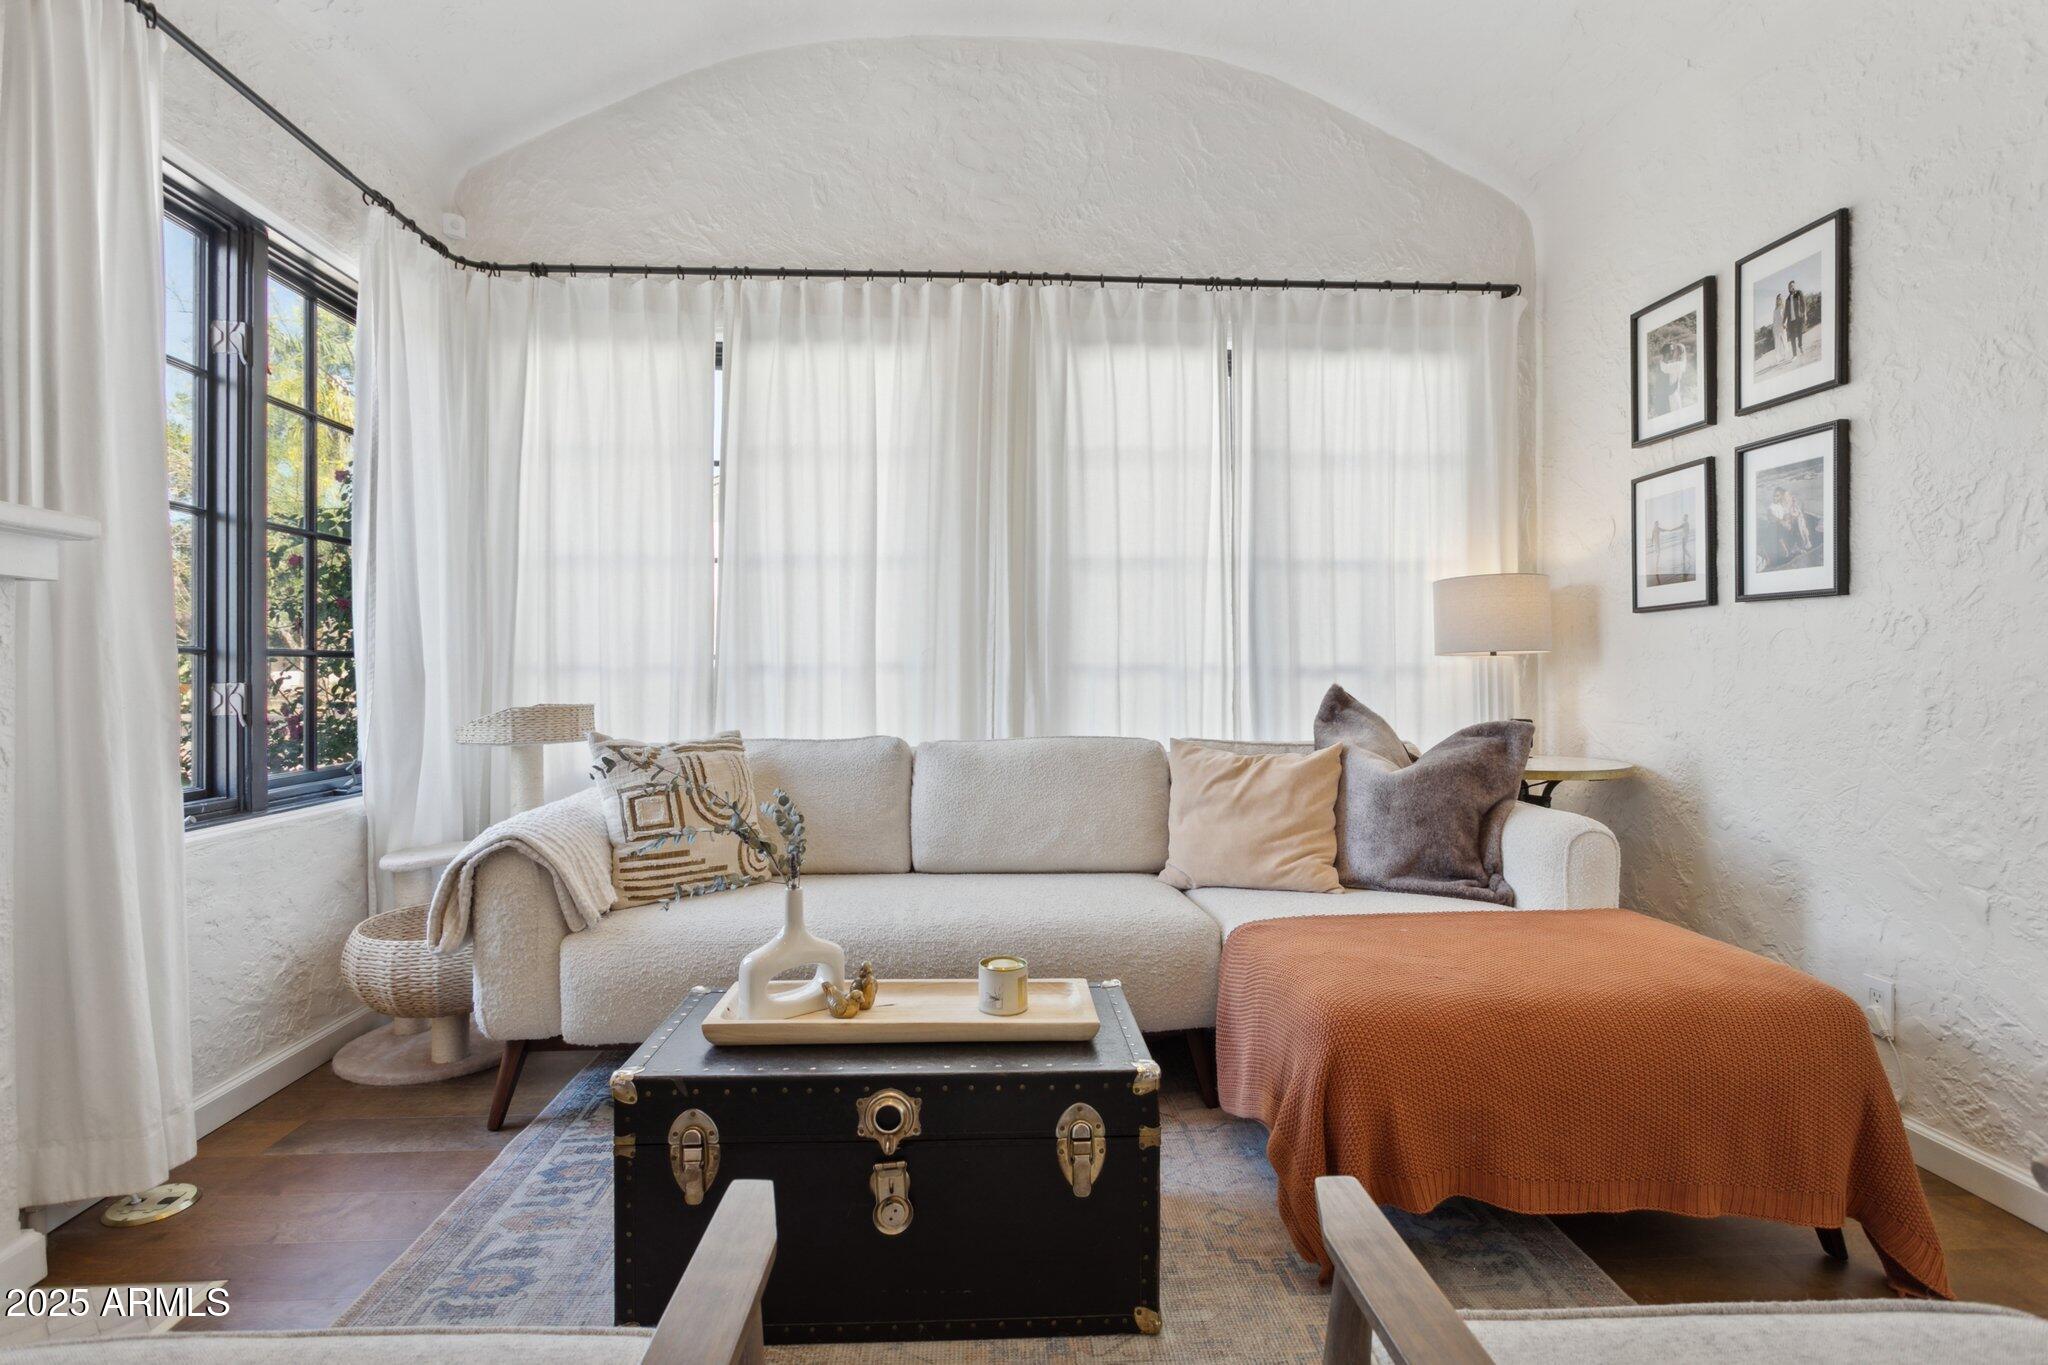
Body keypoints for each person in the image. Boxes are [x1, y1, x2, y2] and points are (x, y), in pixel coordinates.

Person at [1785, 279, 1807, 357]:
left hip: (1799, 318)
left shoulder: (1799, 293)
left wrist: (1805, 314)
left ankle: (1800, 345)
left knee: (1799, 333)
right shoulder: (1787, 299)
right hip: (1791, 321)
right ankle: (1794, 355)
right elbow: (1786, 312)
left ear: (1794, 286)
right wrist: (1784, 322)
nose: (1791, 287)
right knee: (1792, 338)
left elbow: (1803, 304)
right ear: (1788, 288)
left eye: (1792, 285)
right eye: (1789, 286)